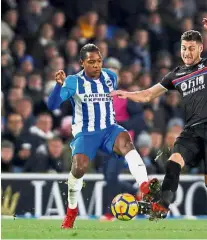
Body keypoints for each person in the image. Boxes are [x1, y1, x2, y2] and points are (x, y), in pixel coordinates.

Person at [111, 18, 207, 229]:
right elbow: (148, 95)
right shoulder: (176, 74)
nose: (186, 52)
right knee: (174, 161)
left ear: (200, 49)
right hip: (192, 130)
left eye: (191, 48)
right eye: (184, 48)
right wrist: (126, 94)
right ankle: (163, 206)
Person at [47, 43, 160, 229]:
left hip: (109, 129)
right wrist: (59, 87)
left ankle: (145, 187)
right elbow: (52, 106)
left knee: (126, 141)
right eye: (91, 62)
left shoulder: (110, 76)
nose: (96, 65)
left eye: (99, 61)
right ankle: (72, 211)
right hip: (86, 132)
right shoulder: (73, 82)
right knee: (79, 168)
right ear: (82, 62)